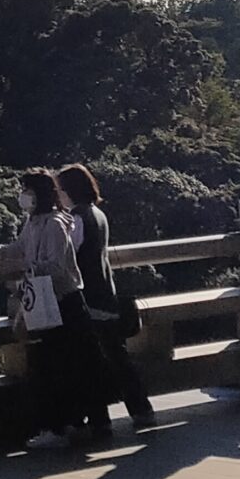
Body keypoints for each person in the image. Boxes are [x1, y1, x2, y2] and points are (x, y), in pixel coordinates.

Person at [0, 170, 102, 448]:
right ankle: (58, 424)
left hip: (64, 303)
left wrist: (20, 267)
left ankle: (67, 424)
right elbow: (21, 247)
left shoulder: (55, 223)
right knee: (47, 366)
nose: (23, 196)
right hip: (44, 301)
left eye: (27, 190)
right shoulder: (34, 222)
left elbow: (56, 267)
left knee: (64, 367)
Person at [59, 164, 154, 436]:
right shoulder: (97, 213)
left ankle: (98, 418)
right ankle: (140, 409)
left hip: (87, 299)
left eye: (61, 190)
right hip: (105, 294)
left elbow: (69, 257)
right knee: (117, 357)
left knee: (92, 361)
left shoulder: (76, 219)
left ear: (69, 191)